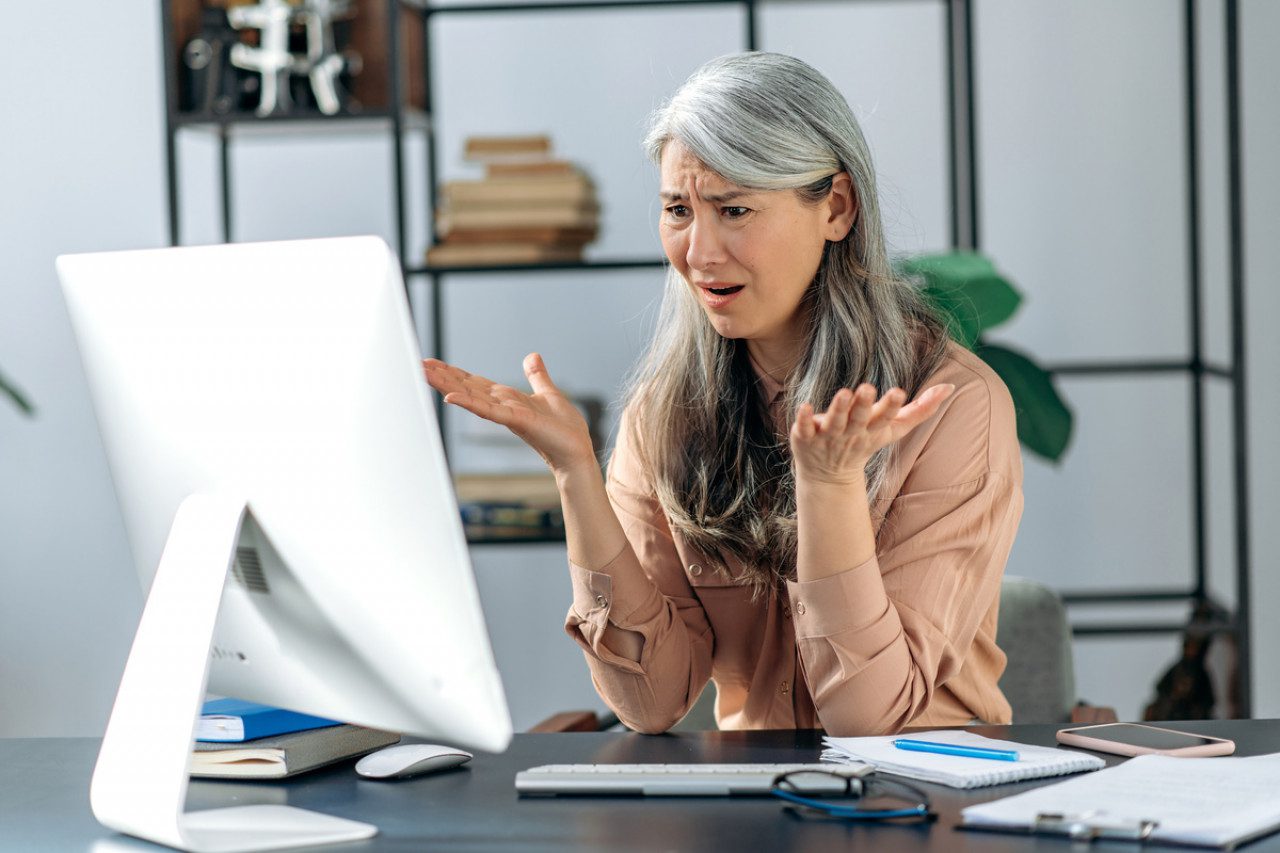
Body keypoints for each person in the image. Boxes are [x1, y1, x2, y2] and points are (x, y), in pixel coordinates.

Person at [424, 52, 1021, 736]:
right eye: (679, 210)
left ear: (836, 207)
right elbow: (652, 701)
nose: (699, 253)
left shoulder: (953, 406)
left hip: (926, 798)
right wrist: (575, 473)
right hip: (750, 804)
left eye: (734, 209)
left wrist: (828, 488)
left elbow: (869, 717)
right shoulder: (663, 415)